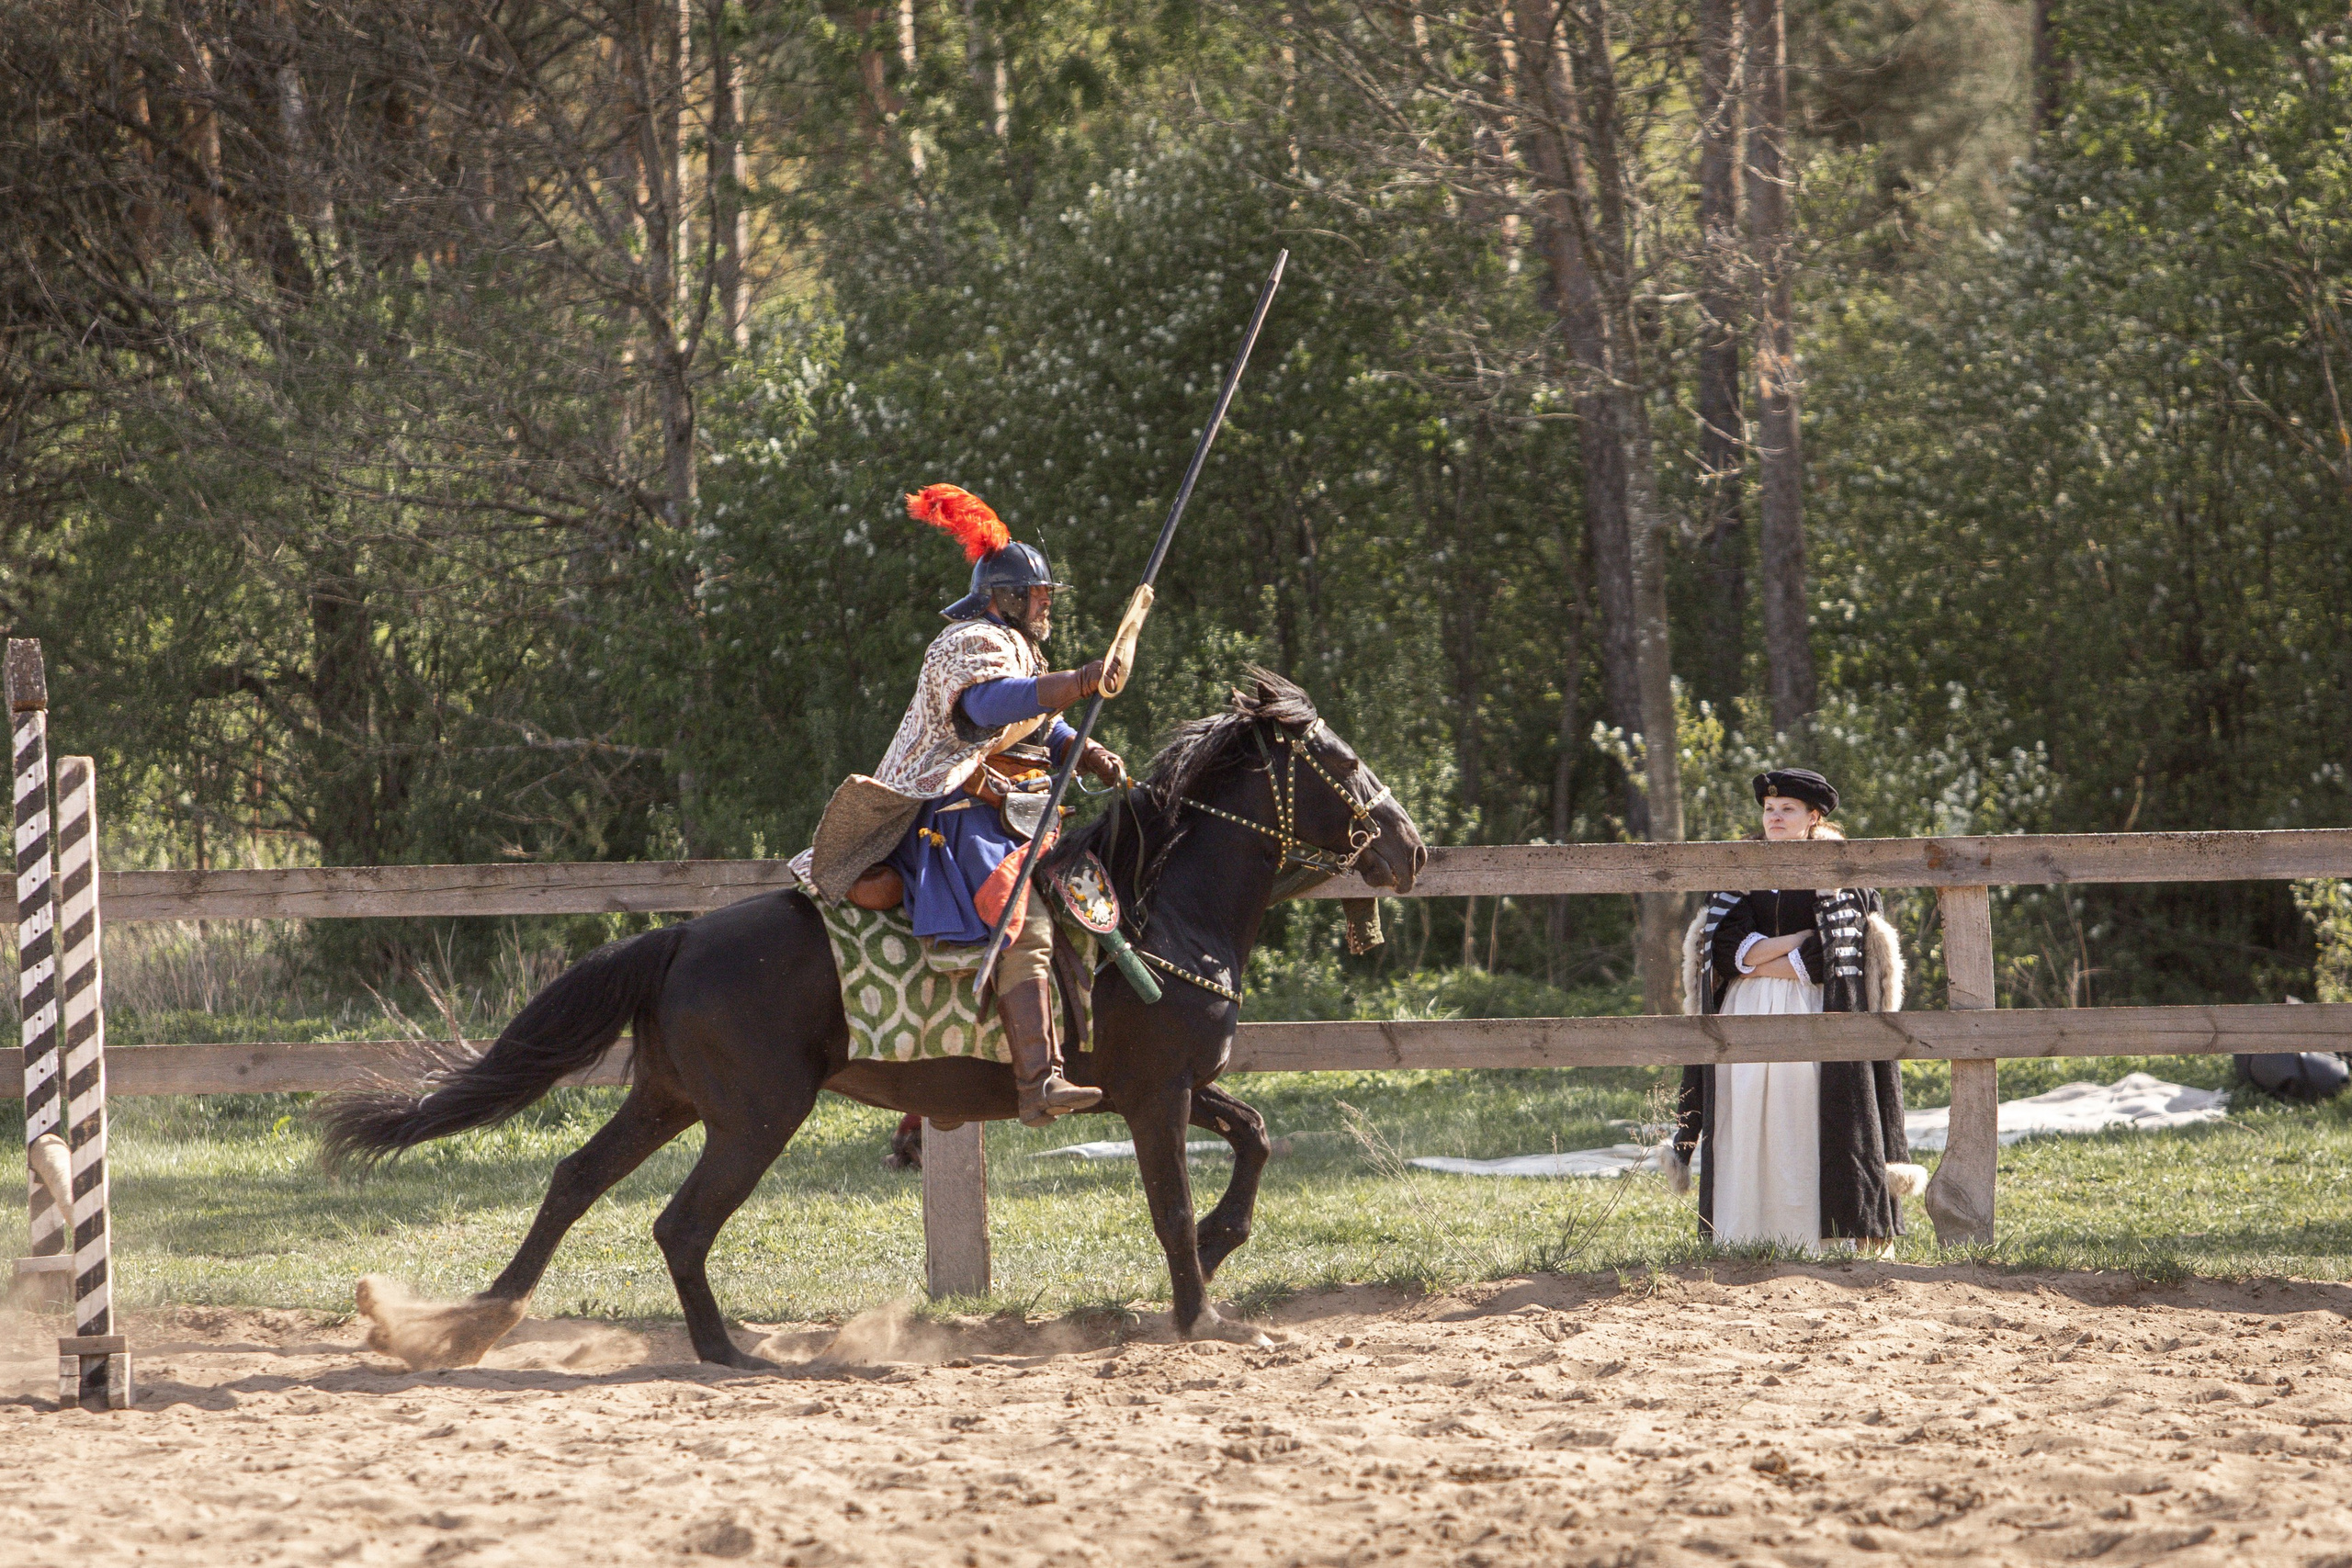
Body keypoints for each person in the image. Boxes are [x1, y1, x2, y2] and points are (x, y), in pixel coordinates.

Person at [808, 484, 1125, 1127]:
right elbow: (988, 707)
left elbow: (1034, 726)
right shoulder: (968, 642)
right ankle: (1038, 1084)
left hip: (1017, 813)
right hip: (960, 819)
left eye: (1044, 595)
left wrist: (1081, 749)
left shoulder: (1021, 648)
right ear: (1002, 598)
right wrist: (1079, 682)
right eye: (1036, 595)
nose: (1045, 605)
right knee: (1025, 926)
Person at [1670, 768, 1922, 1252]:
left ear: (1813, 817)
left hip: (1817, 1011)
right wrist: (1792, 943)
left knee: (1804, 1116)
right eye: (1769, 809)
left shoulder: (1840, 877)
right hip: (1744, 1015)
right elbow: (1723, 950)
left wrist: (1758, 957)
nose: (1776, 818)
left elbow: (1832, 959)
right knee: (1745, 1116)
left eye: (1788, 810)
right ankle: (1744, 1235)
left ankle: (1819, 1240)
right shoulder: (1740, 875)